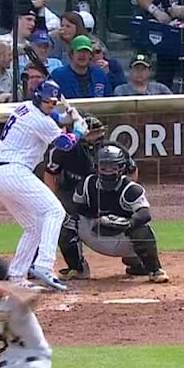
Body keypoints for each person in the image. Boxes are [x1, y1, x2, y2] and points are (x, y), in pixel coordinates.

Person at [0, 80, 87, 292]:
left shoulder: (26, 107)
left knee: (33, 227)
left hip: (0, 175)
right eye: (46, 102)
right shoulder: (39, 120)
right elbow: (65, 144)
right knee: (54, 211)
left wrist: (67, 117)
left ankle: (16, 276)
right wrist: (78, 130)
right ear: (37, 98)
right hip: (15, 172)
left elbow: (56, 117)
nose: (49, 106)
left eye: (53, 103)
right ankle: (44, 265)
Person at [45, 117, 141, 278]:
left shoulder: (113, 149)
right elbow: (50, 173)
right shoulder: (63, 149)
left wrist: (122, 192)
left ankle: (137, 260)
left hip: (105, 192)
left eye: (98, 132)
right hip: (72, 194)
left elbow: (132, 170)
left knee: (129, 218)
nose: (94, 137)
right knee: (63, 222)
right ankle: (77, 266)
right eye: (90, 133)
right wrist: (52, 199)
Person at [65, 144, 170, 284]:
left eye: (113, 167)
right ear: (96, 167)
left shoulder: (131, 189)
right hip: (94, 234)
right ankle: (77, 268)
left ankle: (154, 269)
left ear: (122, 168)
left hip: (123, 238)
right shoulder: (86, 185)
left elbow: (145, 214)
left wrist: (126, 223)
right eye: (104, 167)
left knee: (142, 229)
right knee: (66, 222)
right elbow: (76, 209)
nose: (108, 171)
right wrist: (99, 219)